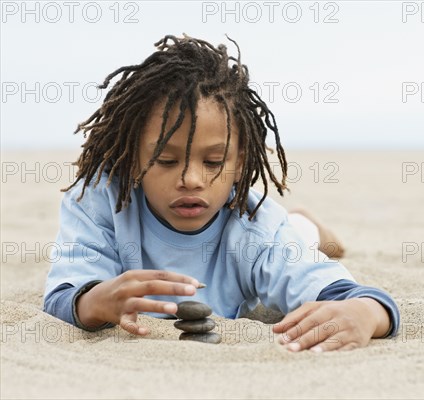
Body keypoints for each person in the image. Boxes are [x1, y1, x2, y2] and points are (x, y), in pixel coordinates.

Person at [43, 34, 400, 352]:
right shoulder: (99, 200)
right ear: (133, 160)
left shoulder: (256, 228)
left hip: (279, 235)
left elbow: (356, 298)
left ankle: (306, 224)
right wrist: (91, 303)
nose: (191, 179)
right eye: (166, 160)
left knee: (300, 237)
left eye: (214, 161)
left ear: (240, 163)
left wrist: (366, 313)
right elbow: (63, 295)